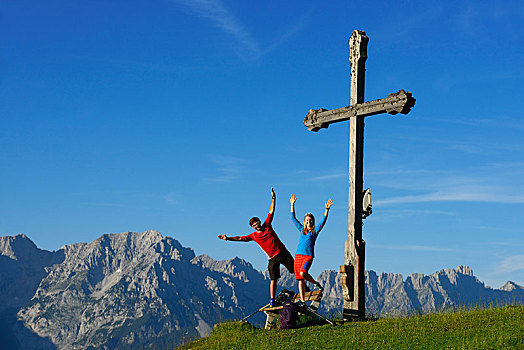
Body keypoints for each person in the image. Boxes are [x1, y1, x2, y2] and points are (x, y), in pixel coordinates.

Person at [217, 188, 294, 306]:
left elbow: (271, 211)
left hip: (282, 252)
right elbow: (240, 238)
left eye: (257, 223)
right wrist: (227, 238)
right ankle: (272, 300)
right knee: (273, 279)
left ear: (260, 221)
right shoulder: (253, 236)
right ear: (252, 227)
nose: (257, 225)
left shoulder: (267, 225)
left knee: (296, 271)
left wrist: (273, 198)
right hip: (272, 258)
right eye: (254, 225)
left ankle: (305, 289)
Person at [290, 194, 333, 304]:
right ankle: (303, 300)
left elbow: (323, 221)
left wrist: (326, 210)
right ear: (304, 222)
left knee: (303, 273)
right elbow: (293, 218)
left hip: (308, 256)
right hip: (298, 256)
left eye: (310, 220)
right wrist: (292, 205)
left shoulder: (315, 231)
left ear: (313, 222)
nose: (308, 222)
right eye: (307, 220)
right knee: (300, 279)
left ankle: (315, 283)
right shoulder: (302, 230)